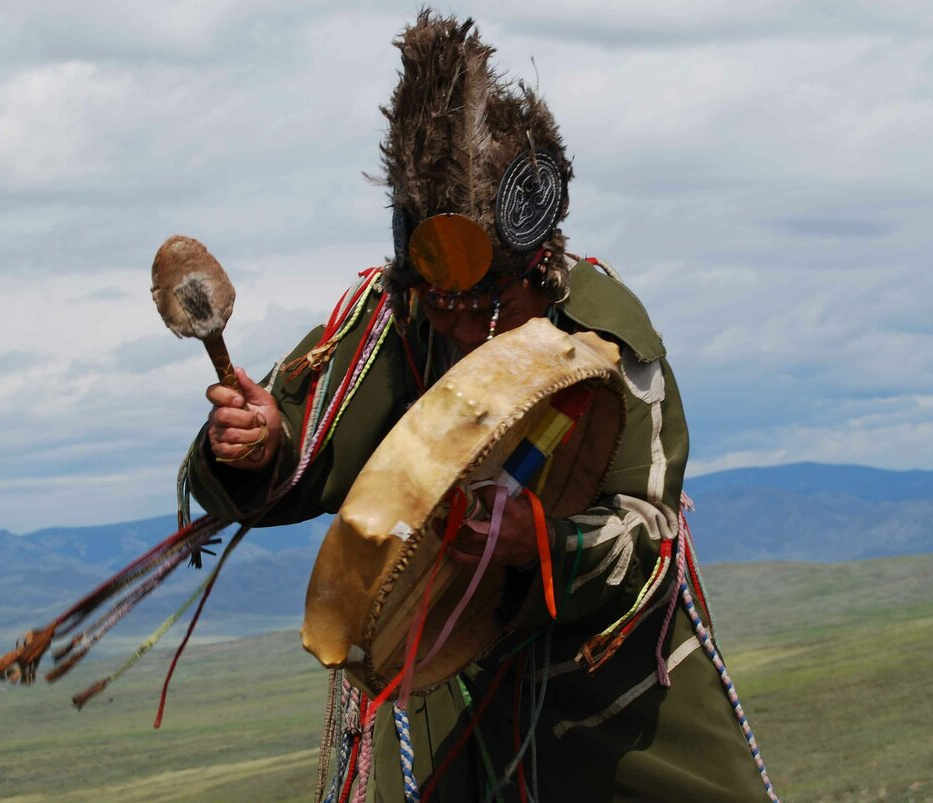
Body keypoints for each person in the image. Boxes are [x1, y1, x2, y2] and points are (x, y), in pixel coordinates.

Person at [186, 11, 777, 802]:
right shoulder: (390, 325)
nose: (456, 324)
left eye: (481, 304)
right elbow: (301, 441)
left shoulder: (607, 335)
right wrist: (258, 444)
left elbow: (648, 526)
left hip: (609, 702)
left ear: (537, 262)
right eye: (437, 302)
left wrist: (537, 541)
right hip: (445, 700)